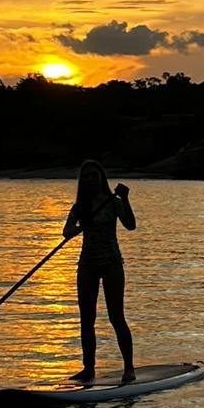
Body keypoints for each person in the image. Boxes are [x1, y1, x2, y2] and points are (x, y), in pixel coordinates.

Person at [63, 159, 137, 384]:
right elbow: (67, 230)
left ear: (101, 178)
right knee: (87, 319)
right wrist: (78, 228)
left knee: (116, 317)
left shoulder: (113, 202)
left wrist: (125, 198)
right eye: (86, 176)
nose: (90, 179)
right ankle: (88, 369)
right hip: (87, 265)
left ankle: (129, 368)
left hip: (112, 264)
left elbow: (130, 225)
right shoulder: (79, 207)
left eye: (93, 175)